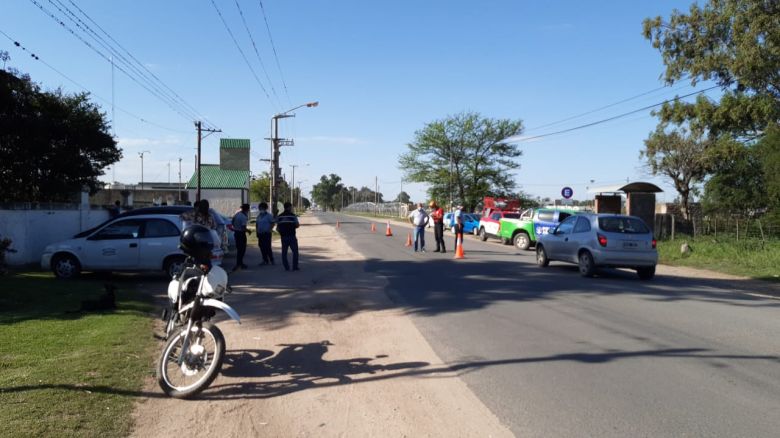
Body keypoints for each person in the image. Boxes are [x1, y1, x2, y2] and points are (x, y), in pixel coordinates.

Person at [276, 202, 300, 271]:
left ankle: (286, 267)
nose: (291, 208)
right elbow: (297, 225)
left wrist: (281, 233)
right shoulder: (293, 216)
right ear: (289, 207)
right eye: (291, 207)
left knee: (284, 252)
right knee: (295, 252)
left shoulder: (280, 216)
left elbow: (277, 228)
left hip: (283, 237)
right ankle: (295, 267)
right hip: (292, 236)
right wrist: (293, 226)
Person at [231, 203, 251, 271]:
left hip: (236, 233)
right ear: (247, 209)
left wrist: (236, 227)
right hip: (241, 234)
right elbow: (243, 227)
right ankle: (239, 264)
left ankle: (240, 263)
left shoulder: (237, 214)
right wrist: (248, 231)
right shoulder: (243, 217)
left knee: (239, 249)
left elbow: (232, 222)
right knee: (242, 250)